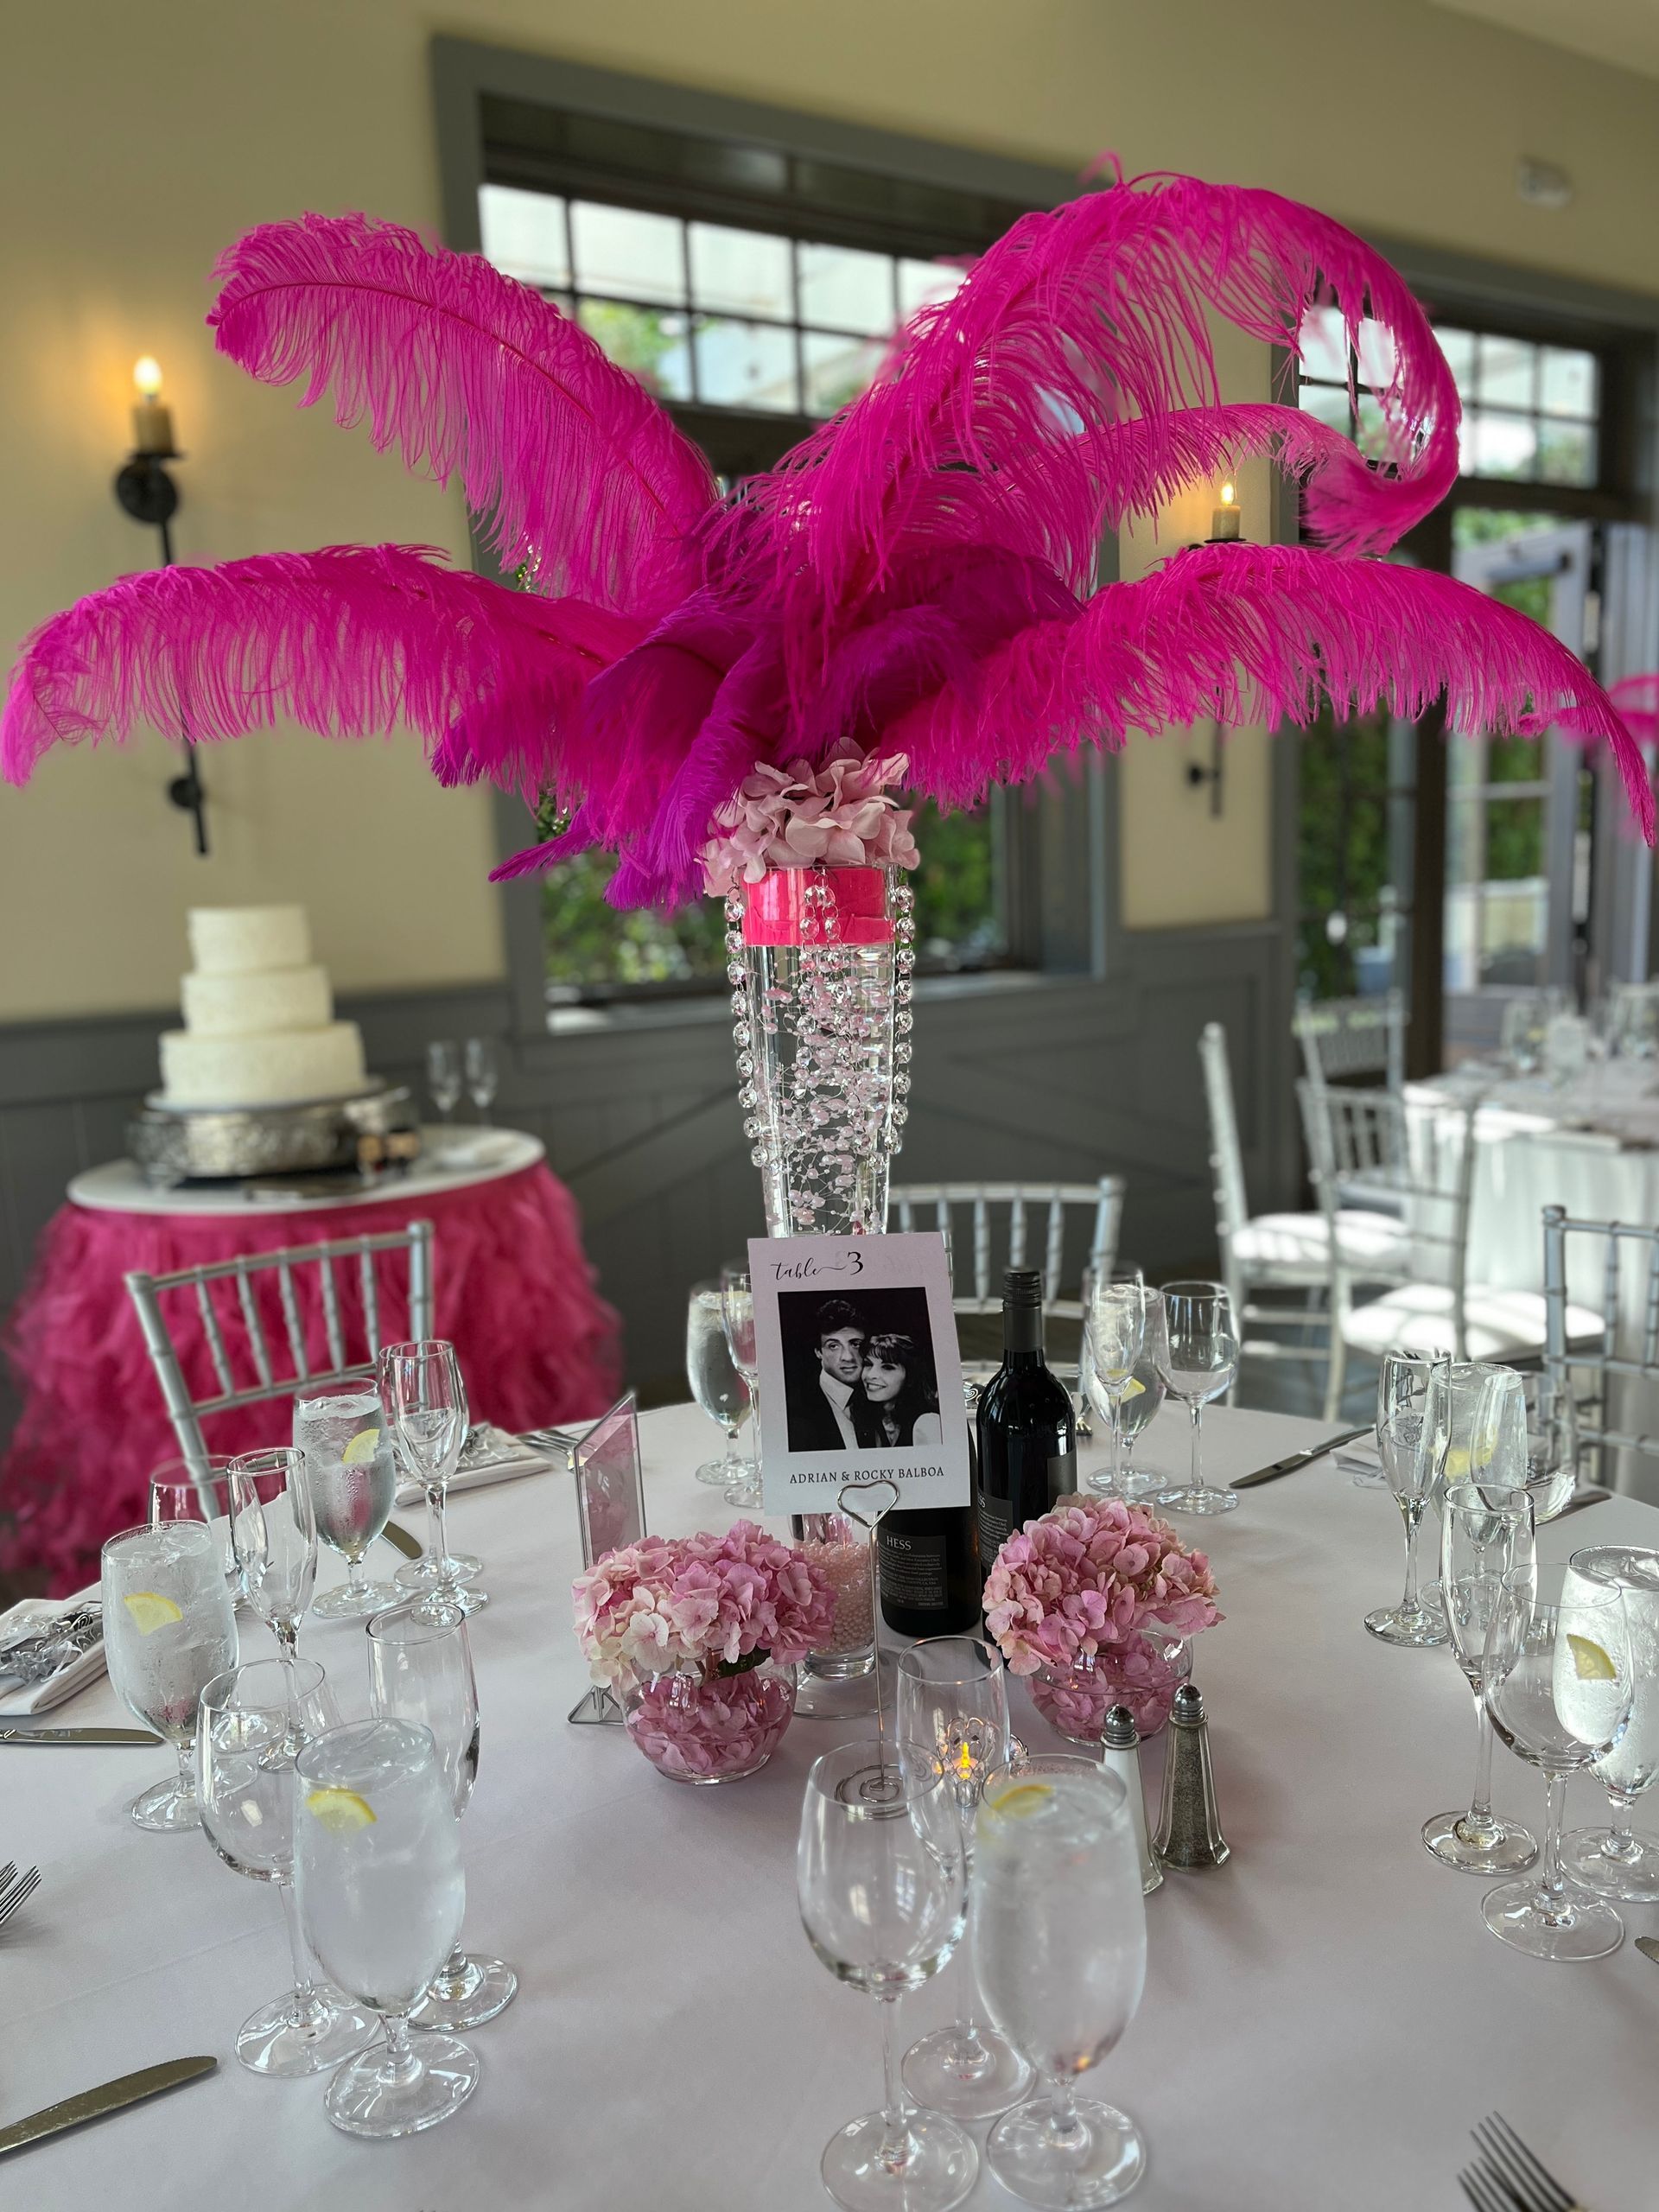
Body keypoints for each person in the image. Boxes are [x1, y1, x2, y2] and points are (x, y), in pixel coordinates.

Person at [785, 1299, 868, 1452]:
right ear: (818, 1352)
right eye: (834, 1346)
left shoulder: (877, 1396)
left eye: (855, 1344)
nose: (848, 1357)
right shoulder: (795, 1412)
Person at [854, 1332, 943, 1449]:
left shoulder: (928, 1422)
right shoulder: (865, 1419)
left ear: (910, 1376)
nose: (870, 1375)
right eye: (868, 1364)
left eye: (887, 1367)